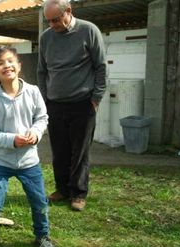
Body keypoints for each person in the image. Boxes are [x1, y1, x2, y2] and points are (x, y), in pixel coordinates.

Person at [0, 46, 55, 247]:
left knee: (39, 203)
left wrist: (35, 134)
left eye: (10, 61)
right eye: (0, 63)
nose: (6, 65)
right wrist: (13, 141)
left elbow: (42, 118)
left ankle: (42, 236)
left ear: (19, 65)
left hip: (29, 162)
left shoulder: (34, 92)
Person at [37, 0, 106, 211]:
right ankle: (62, 189)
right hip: (55, 104)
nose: (52, 25)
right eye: (48, 21)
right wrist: (44, 99)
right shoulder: (46, 37)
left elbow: (100, 66)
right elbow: (42, 71)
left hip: (83, 104)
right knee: (59, 151)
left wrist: (96, 98)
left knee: (80, 152)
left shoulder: (89, 31)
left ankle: (78, 193)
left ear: (69, 11)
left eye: (55, 20)